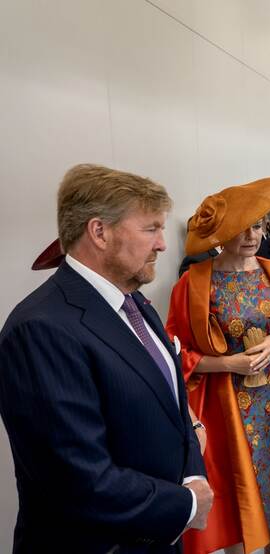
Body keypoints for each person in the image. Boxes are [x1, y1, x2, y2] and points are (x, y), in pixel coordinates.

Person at [0, 164, 212, 552]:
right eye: (150, 228)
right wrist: (185, 504)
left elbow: (173, 406)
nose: (163, 244)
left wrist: (193, 477)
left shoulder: (134, 302)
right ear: (99, 232)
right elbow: (77, 478)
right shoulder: (41, 329)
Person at [166, 177, 270, 554]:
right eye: (241, 228)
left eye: (257, 225)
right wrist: (225, 363)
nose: (251, 235)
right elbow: (174, 352)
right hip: (225, 407)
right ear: (222, 232)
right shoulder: (193, 282)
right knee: (235, 487)